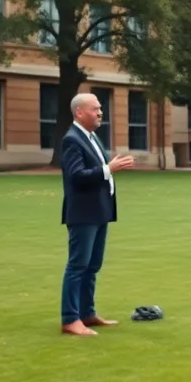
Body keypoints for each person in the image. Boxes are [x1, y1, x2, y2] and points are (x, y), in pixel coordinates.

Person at [60, 92, 135, 337]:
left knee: (92, 266)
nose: (100, 112)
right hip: (83, 213)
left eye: (100, 108)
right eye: (95, 108)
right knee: (77, 265)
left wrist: (108, 166)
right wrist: (108, 168)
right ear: (79, 112)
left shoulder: (91, 137)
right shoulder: (72, 139)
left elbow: (94, 170)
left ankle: (87, 314)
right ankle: (70, 319)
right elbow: (77, 176)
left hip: (99, 211)